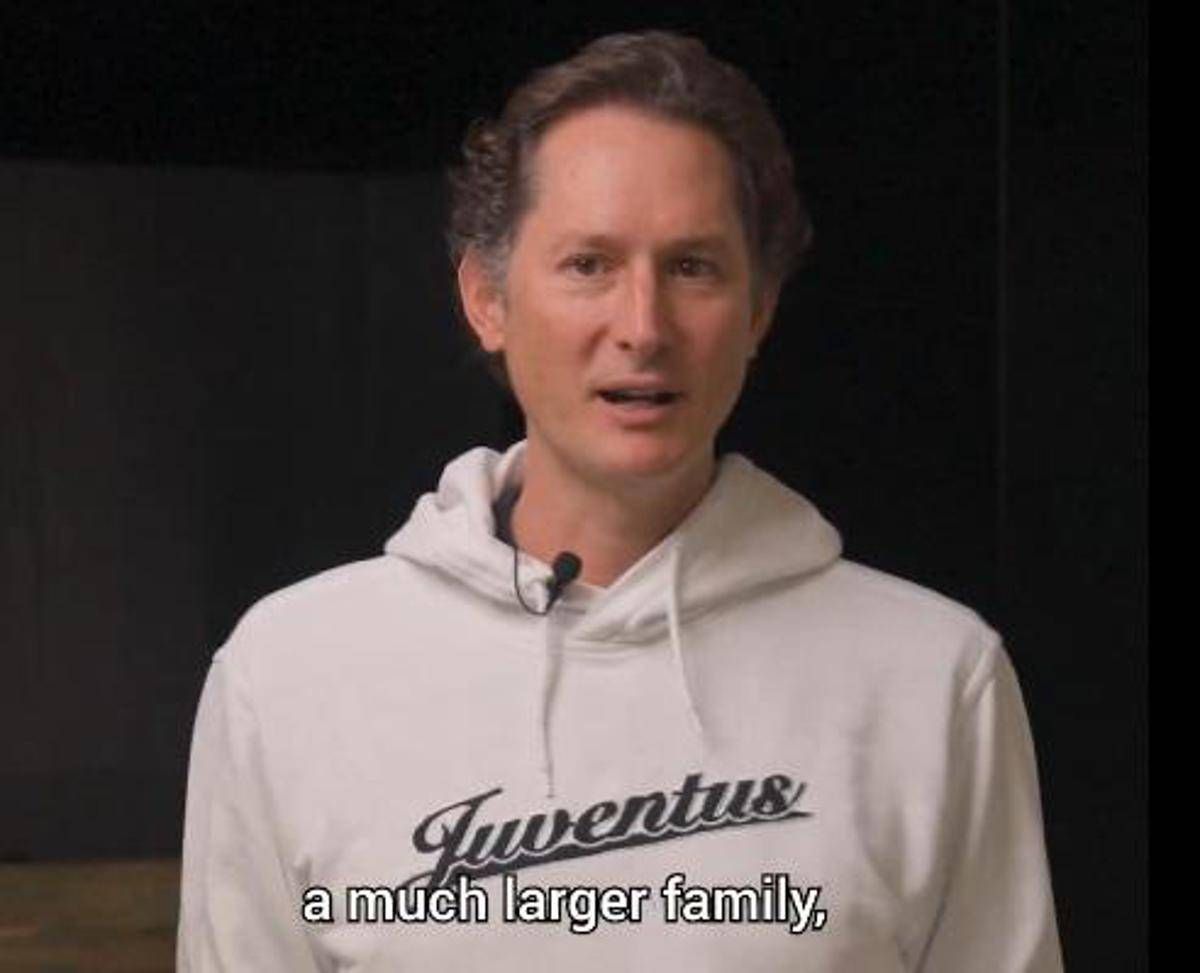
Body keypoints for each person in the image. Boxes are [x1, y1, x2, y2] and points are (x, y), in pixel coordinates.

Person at [177, 30, 1064, 972]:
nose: (643, 327)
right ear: (487, 299)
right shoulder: (288, 677)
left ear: (759, 309)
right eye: (589, 264)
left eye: (692, 267)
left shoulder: (934, 680)